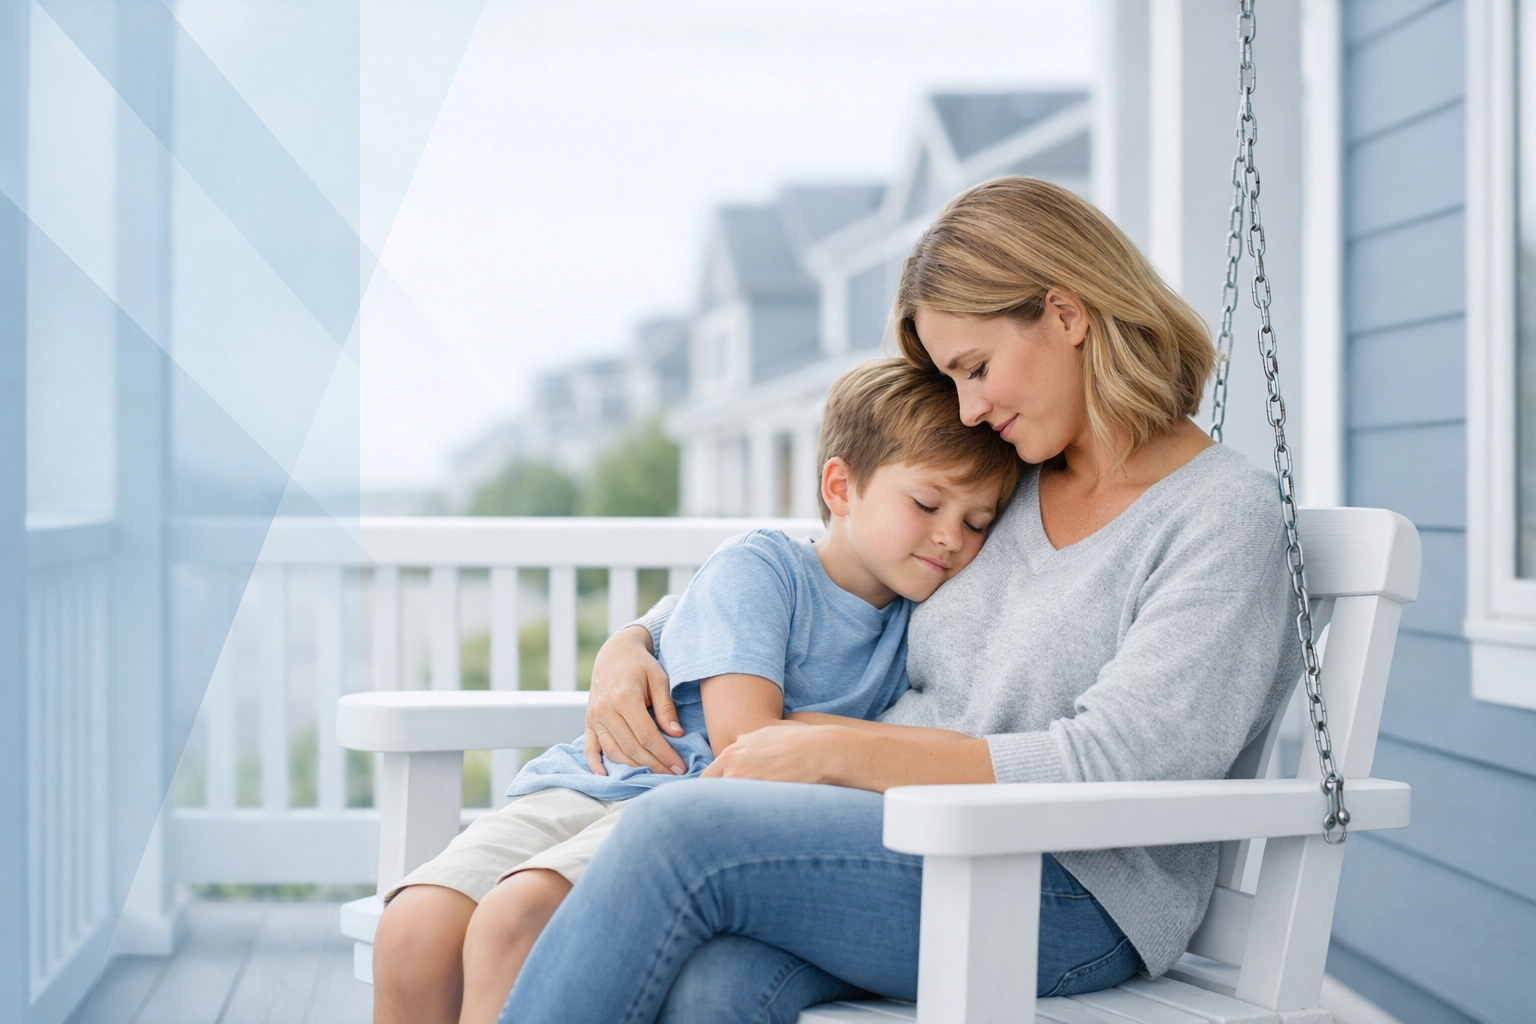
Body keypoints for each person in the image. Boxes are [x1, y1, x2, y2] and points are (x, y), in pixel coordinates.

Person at [498, 176, 1303, 1024]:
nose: (969, 407)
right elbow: (827, 572)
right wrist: (634, 642)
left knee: (677, 836)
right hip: (897, 843)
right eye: (954, 380)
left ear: (1067, 315)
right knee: (714, 986)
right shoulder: (1009, 481)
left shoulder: (1221, 517)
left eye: (977, 368)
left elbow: (1124, 761)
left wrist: (837, 751)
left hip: (1064, 890)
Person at [370, 360, 1019, 1024]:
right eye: (927, 504)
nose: (952, 537)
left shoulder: (919, 620)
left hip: (692, 824)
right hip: (615, 779)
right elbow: (747, 741)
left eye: (977, 523)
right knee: (413, 928)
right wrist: (631, 639)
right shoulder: (762, 565)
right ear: (840, 485)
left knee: (518, 916)